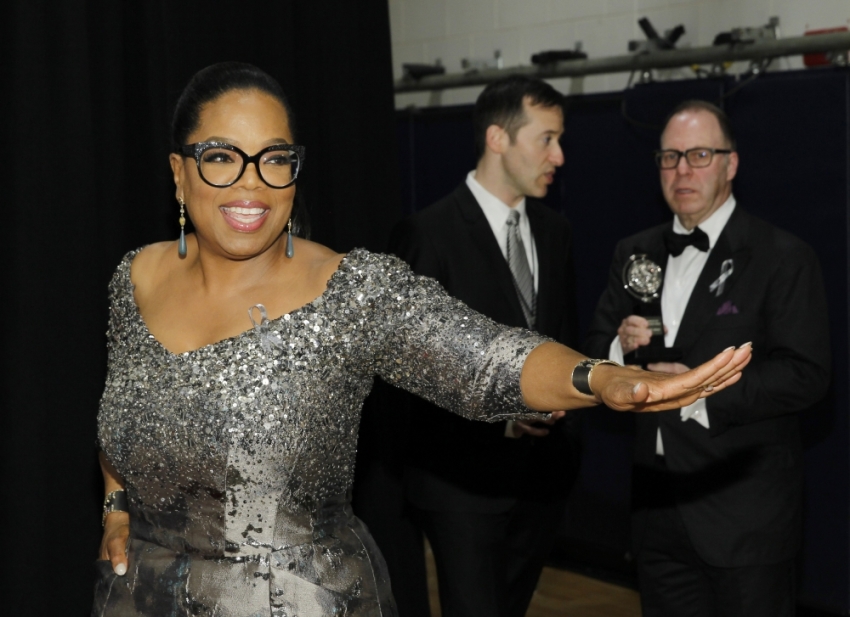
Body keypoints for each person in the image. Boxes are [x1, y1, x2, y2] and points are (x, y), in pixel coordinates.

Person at [93, 63, 751, 617]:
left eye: (274, 159)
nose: (251, 182)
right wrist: (119, 504)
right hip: (140, 597)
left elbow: (485, 355)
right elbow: (125, 420)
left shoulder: (351, 289)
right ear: (179, 173)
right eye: (220, 158)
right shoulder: (136, 277)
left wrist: (604, 380)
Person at [585, 100, 831, 617]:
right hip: (656, 508)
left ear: (730, 164)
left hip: (744, 513)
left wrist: (699, 391)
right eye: (669, 157)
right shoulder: (636, 252)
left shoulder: (782, 257)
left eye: (699, 155)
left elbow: (805, 375)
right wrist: (618, 352)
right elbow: (597, 348)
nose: (682, 170)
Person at [378, 75, 580, 617]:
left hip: (541, 482)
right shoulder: (429, 233)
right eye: (547, 139)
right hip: (459, 484)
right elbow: (407, 375)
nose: (559, 155)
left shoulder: (556, 232)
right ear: (498, 139)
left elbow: (564, 339)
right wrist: (505, 420)